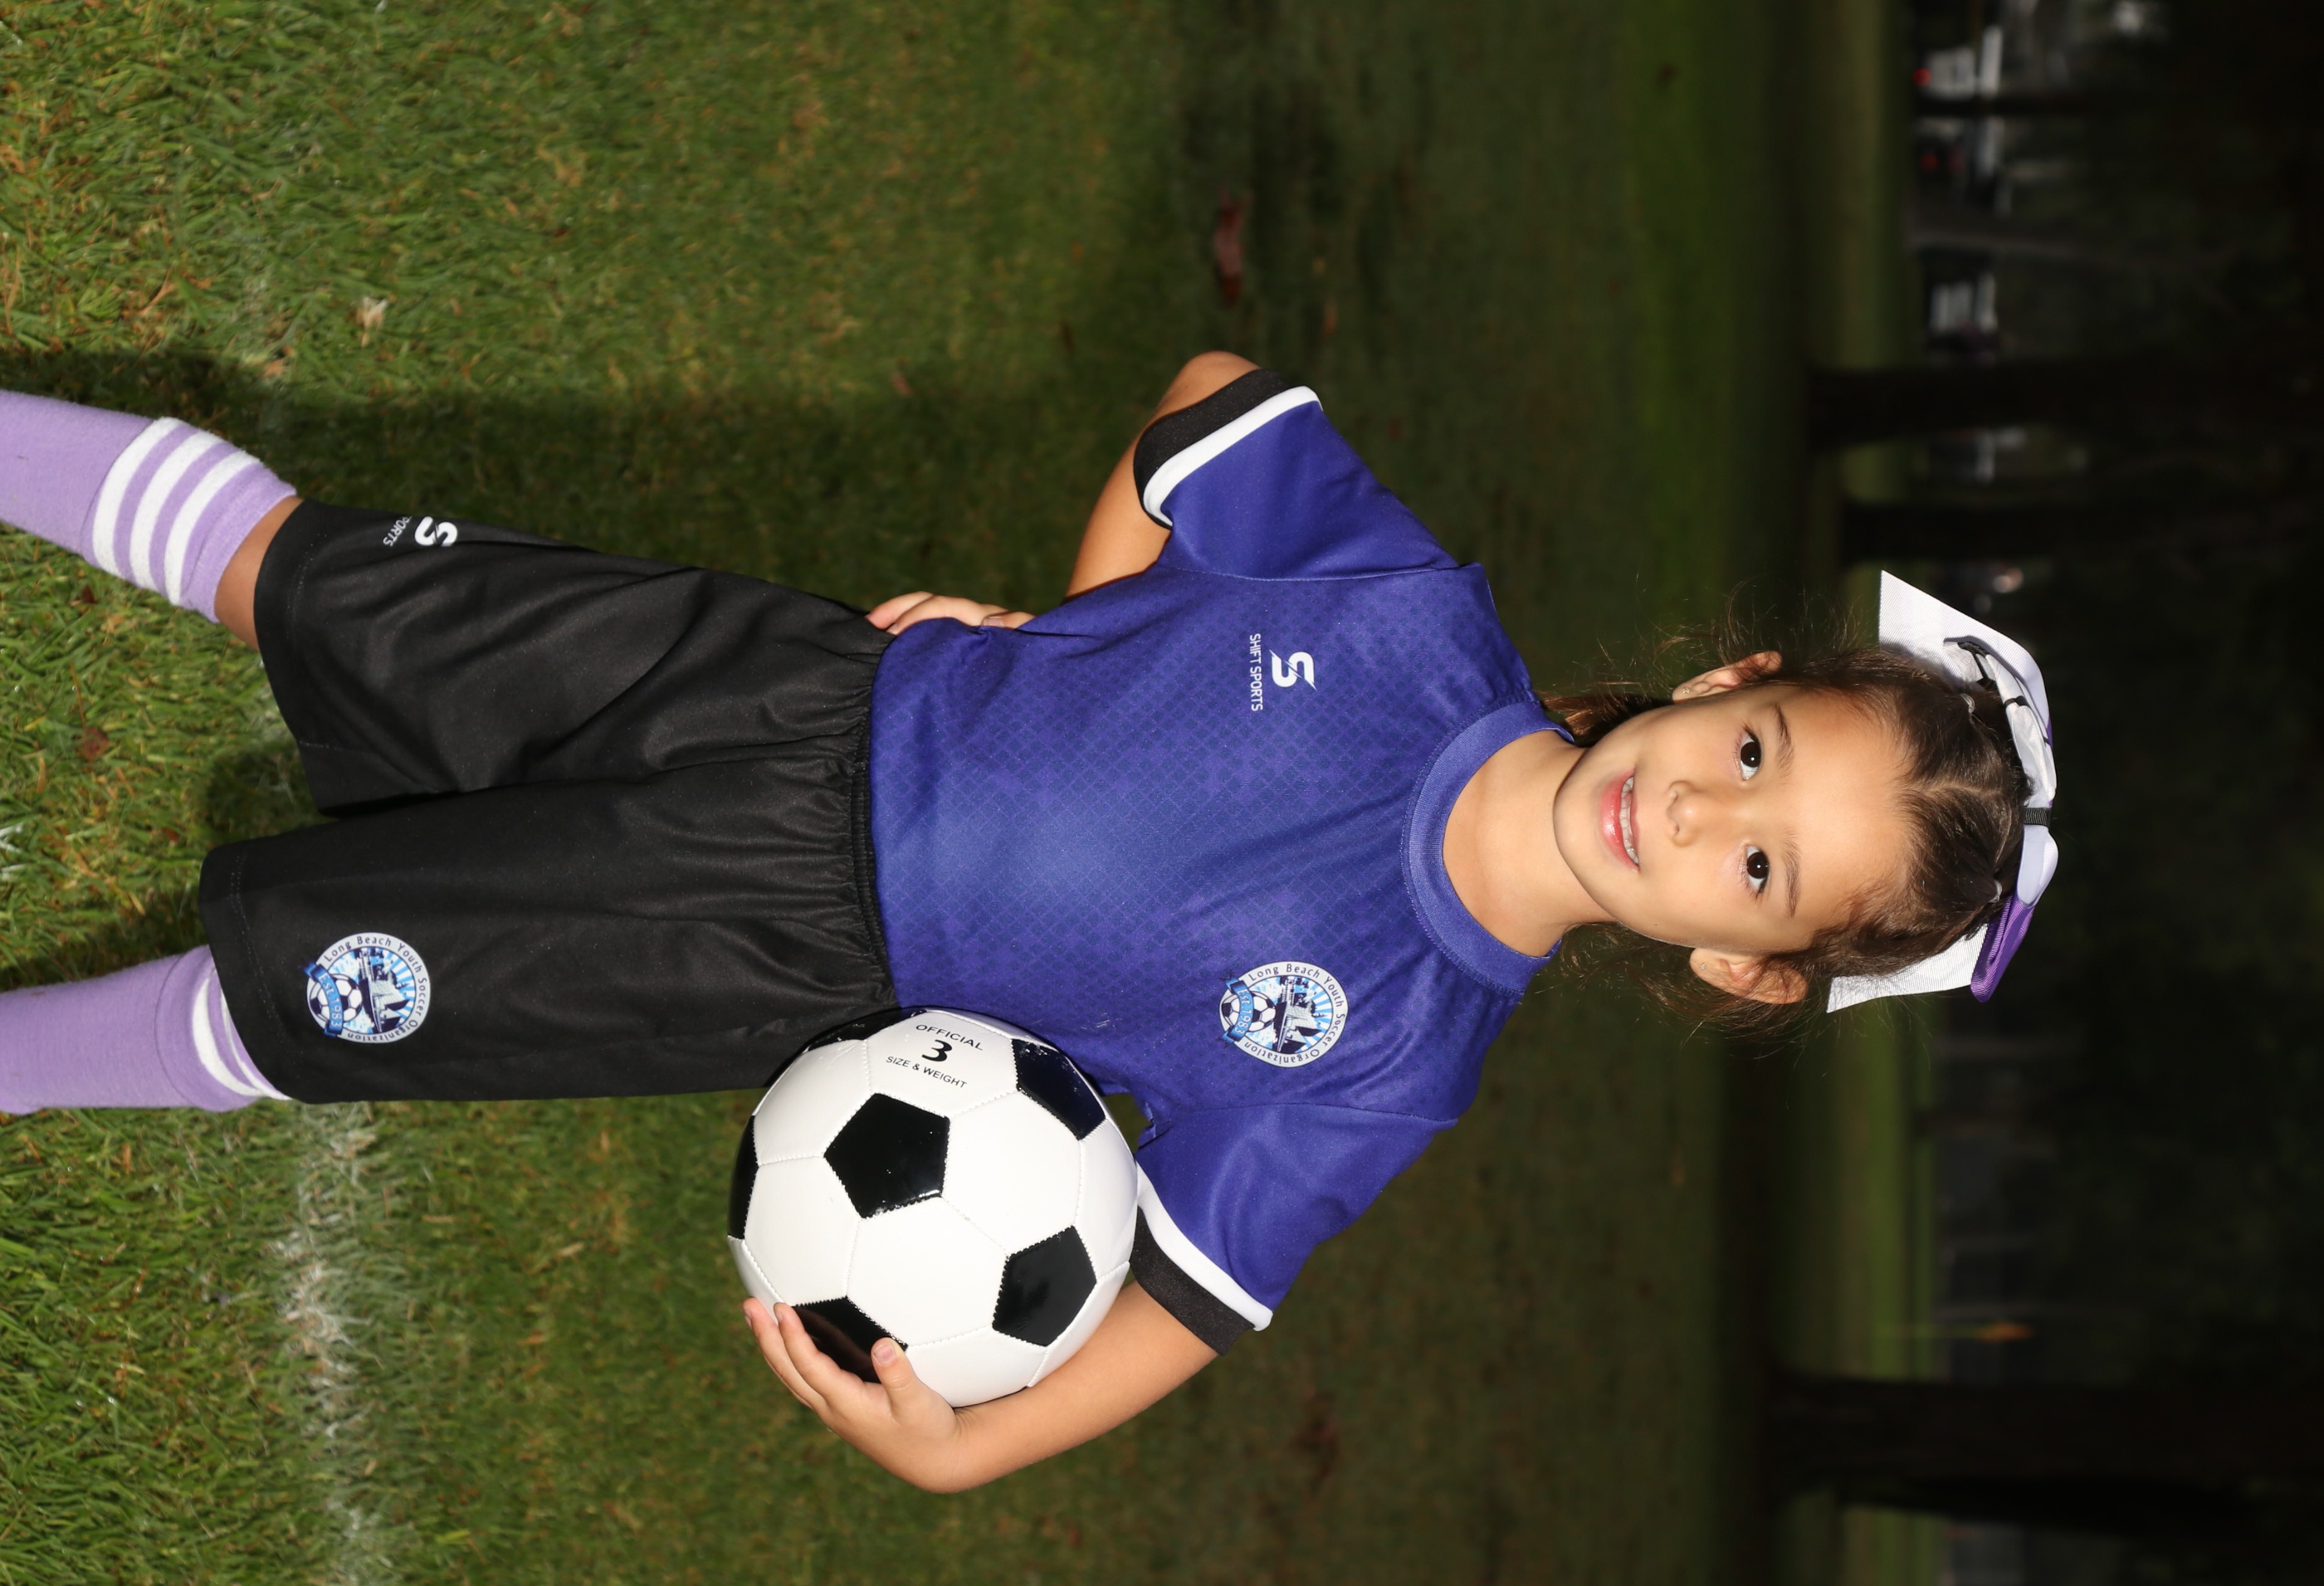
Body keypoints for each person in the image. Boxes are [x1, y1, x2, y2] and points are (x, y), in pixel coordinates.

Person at [0, 354, 2058, 1491]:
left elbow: (1194, 1301)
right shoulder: (1407, 614)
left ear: (1737, 961)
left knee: (306, 1002)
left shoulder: (1391, 1061)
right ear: (1731, 678)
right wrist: (1088, 628)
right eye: (1759, 749)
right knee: (316, 577)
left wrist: (969, 1453)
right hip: (782, 687)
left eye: (1759, 867)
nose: (1699, 809)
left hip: (778, 951)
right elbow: (1209, 407)